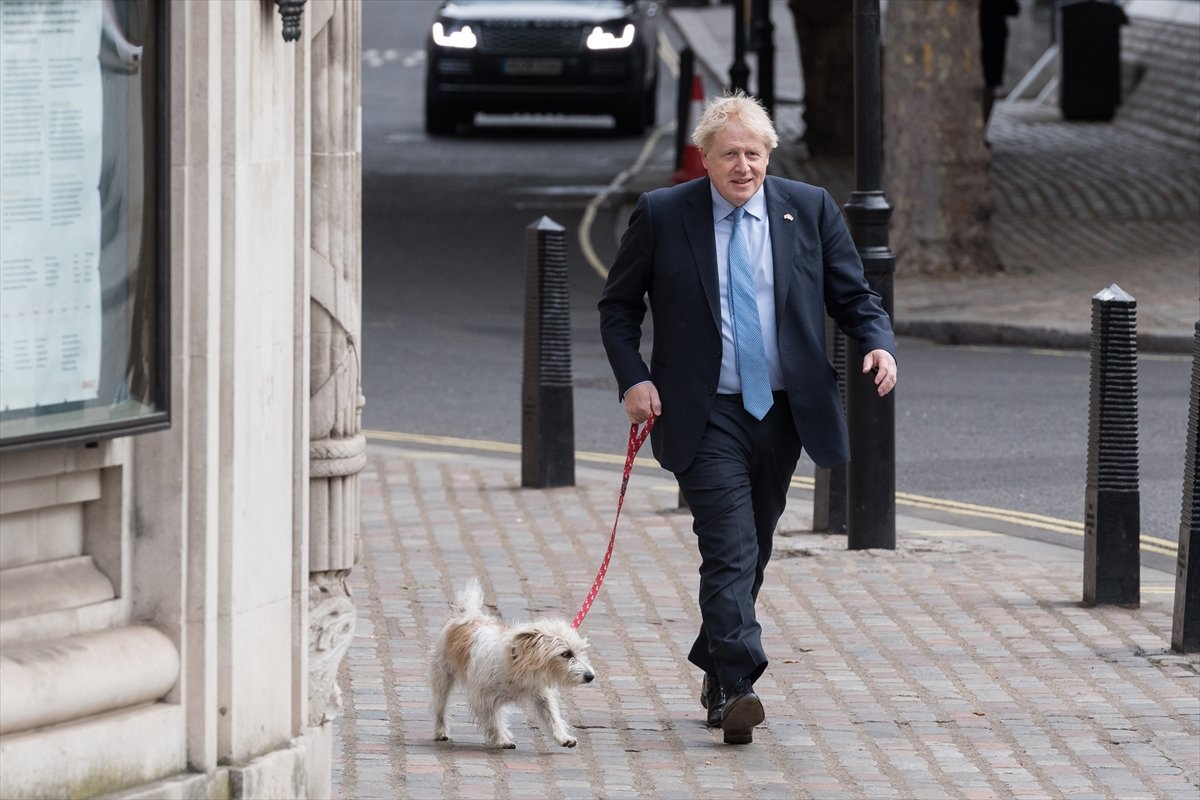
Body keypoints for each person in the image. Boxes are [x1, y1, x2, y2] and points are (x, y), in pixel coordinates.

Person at [598, 92, 897, 745]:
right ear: (703, 160)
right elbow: (617, 311)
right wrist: (635, 379)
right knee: (728, 546)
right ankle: (737, 684)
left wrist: (877, 341)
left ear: (769, 156)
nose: (744, 167)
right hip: (704, 412)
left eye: (754, 154)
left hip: (784, 410)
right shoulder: (663, 214)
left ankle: (717, 665)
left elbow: (852, 294)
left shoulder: (809, 208)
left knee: (754, 548)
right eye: (730, 154)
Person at [980, 0, 1021, 127]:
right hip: (990, 36)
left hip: (992, 37)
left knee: (989, 84)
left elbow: (1013, 9)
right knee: (989, 84)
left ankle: (982, 129)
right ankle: (981, 129)